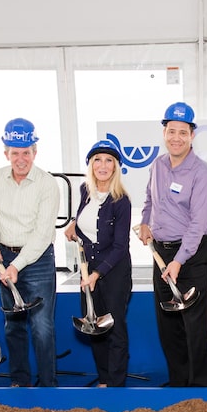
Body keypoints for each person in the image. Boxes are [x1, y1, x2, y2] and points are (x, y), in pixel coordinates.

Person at [136, 102, 207, 387]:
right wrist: (146, 222)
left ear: (192, 135)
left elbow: (197, 225)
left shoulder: (203, 174)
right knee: (167, 321)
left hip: (192, 254)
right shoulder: (157, 165)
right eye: (171, 131)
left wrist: (179, 260)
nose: (176, 138)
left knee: (193, 322)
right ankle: (178, 383)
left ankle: (199, 386)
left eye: (183, 132)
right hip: (162, 252)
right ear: (164, 132)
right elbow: (150, 199)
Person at [0, 118, 59, 387]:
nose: (21, 158)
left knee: (42, 327)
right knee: (13, 325)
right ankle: (20, 382)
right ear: (6, 153)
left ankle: (48, 385)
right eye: (15, 153)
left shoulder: (47, 184)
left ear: (35, 152)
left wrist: (18, 265)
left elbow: (42, 234)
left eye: (26, 152)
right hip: (5, 256)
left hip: (37, 261)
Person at [64, 140, 132, 386]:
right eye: (97, 160)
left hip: (113, 272)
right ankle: (103, 380)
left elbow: (120, 247)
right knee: (93, 325)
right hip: (88, 270)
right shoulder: (84, 190)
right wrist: (74, 228)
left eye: (108, 161)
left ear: (116, 167)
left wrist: (97, 274)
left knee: (114, 329)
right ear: (91, 165)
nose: (102, 165)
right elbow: (87, 224)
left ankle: (116, 384)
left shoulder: (121, 200)